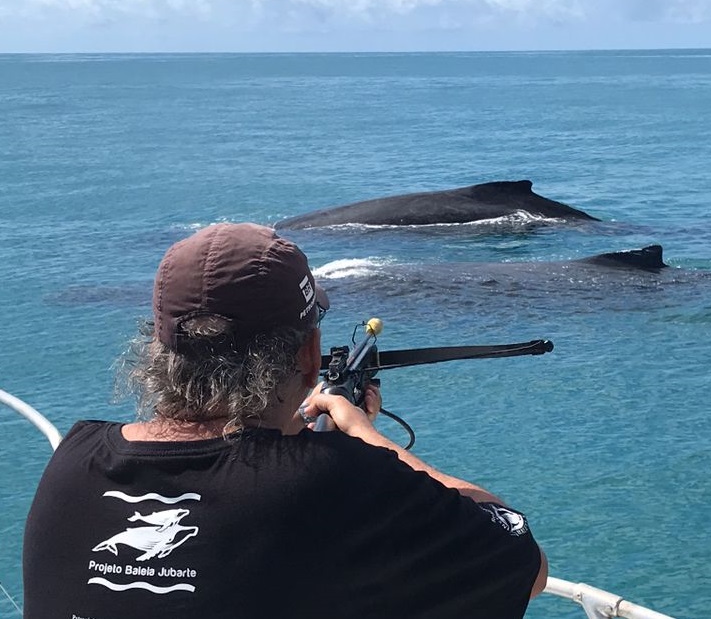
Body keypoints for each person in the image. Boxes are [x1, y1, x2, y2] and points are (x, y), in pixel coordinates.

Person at [23, 222, 548, 618]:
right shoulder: (333, 479)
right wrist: (368, 439)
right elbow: (522, 560)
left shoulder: (74, 460)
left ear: (160, 349)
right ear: (309, 354)